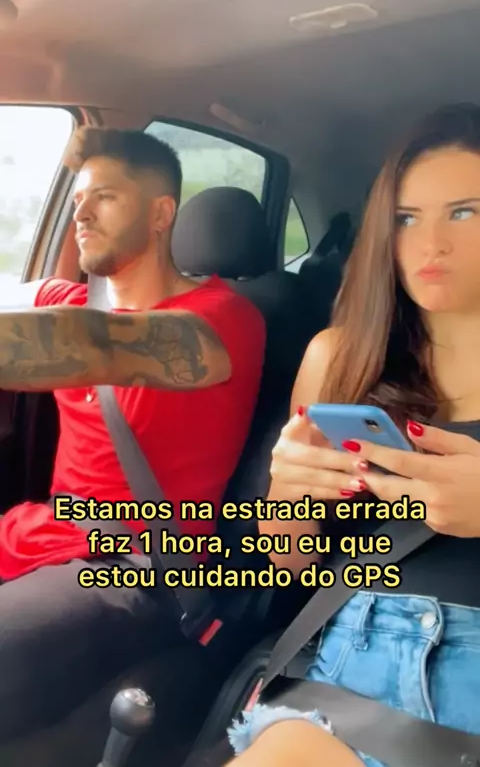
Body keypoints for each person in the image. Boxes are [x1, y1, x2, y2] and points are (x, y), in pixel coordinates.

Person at [226, 102, 480, 767]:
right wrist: (287, 501)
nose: (430, 244)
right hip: (350, 658)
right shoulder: (338, 358)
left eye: (463, 212)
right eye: (406, 218)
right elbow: (291, 565)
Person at [0, 127, 266, 738]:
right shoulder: (72, 298)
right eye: (77, 200)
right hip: (43, 534)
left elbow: (92, 343)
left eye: (106, 197)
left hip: (138, 567)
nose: (82, 214)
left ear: (161, 214)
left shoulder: (221, 322)